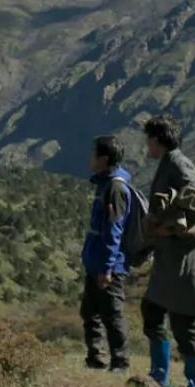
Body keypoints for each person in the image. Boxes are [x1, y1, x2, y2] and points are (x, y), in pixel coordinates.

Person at [141, 115, 195, 387]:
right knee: (153, 310)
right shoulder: (170, 162)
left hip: (186, 258)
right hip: (173, 257)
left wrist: (168, 227)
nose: (146, 145)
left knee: (183, 323)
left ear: (158, 139)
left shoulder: (178, 163)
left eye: (148, 139)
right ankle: (159, 376)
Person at [80, 135, 132, 373]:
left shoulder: (115, 188)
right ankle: (96, 358)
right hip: (96, 260)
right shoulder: (105, 184)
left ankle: (120, 362)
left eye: (94, 155)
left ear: (103, 159)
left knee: (112, 313)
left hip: (108, 263)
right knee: (91, 312)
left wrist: (107, 268)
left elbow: (114, 230)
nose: (90, 159)